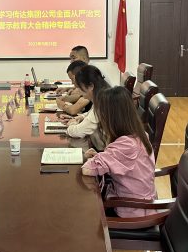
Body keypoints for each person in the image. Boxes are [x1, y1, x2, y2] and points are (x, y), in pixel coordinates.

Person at [81, 86, 156, 218]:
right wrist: (101, 157)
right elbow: (121, 161)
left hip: (132, 211)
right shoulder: (138, 135)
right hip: (138, 203)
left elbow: (87, 170)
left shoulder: (126, 144)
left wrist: (91, 159)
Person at [62, 64, 110, 149]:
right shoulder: (103, 94)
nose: (79, 92)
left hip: (103, 150)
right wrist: (81, 117)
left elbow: (77, 132)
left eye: (80, 88)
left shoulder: (103, 102)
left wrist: (72, 123)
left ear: (91, 86)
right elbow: (92, 113)